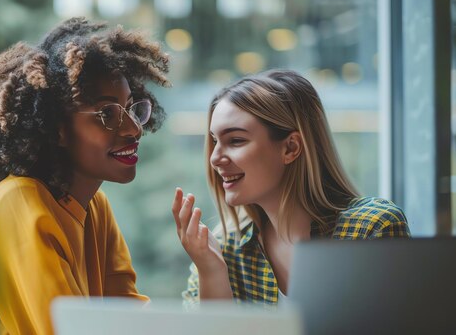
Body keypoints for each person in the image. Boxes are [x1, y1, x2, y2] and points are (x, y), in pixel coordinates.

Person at [0, 17, 170, 334]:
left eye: (132, 109)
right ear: (58, 129)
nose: (134, 128)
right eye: (107, 113)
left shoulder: (97, 209)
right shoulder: (17, 203)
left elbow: (130, 320)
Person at [173, 70, 410, 305]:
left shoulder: (372, 230)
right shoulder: (221, 249)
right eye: (215, 141)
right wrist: (212, 273)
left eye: (235, 140)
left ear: (291, 148)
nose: (214, 158)